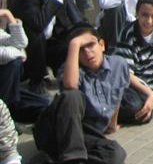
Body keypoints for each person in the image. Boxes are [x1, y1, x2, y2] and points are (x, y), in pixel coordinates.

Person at [32, 23, 144, 164]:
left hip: (86, 135)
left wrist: (112, 124)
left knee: (116, 153)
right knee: (73, 95)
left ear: (102, 45)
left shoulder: (118, 64)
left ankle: (52, 159)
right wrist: (74, 43)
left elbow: (117, 95)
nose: (87, 52)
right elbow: (70, 86)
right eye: (80, 49)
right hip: (56, 129)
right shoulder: (70, 70)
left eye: (91, 45)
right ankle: (73, 159)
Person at [9, 0, 84, 96]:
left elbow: (76, 23)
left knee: (71, 42)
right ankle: (36, 84)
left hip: (48, 49)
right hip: (25, 52)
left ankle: (68, 82)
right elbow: (38, 24)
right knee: (37, 36)